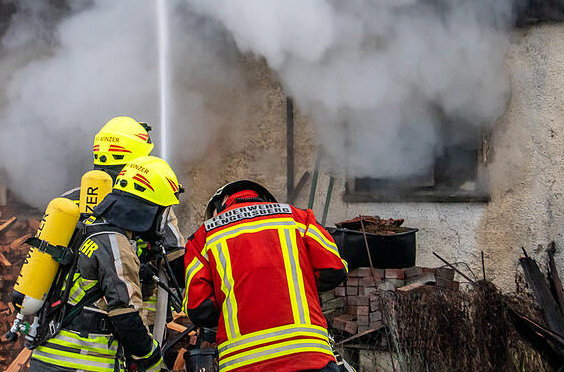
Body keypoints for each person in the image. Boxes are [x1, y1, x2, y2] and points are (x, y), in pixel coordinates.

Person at [29, 155, 182, 372]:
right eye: (162, 211)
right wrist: (153, 359)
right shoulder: (114, 242)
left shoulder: (83, 228)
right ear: (148, 210)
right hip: (83, 363)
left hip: (44, 359)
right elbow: (125, 315)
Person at [183, 180, 349, 372]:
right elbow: (335, 270)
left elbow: (198, 308)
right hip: (308, 355)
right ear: (265, 199)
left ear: (223, 201)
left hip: (243, 362)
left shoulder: (203, 237)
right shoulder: (299, 218)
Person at [63, 116, 186, 328]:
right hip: (134, 321)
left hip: (69, 320)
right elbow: (176, 263)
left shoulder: (68, 202)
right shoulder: (150, 203)